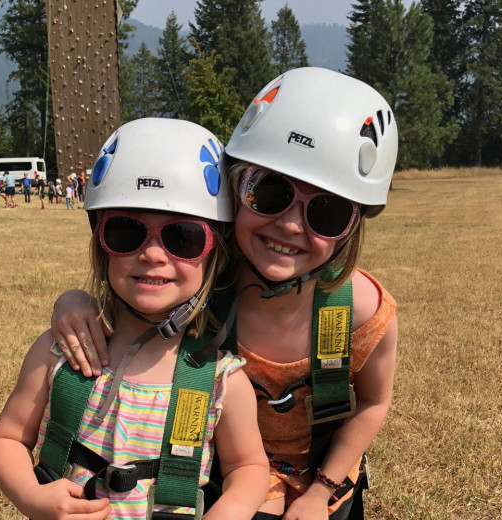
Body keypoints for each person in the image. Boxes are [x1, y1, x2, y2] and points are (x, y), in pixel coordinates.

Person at [50, 68, 399, 520]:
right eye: (268, 192)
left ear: (351, 228)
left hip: (325, 480)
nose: (291, 225)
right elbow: (131, 297)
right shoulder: (202, 281)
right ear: (235, 188)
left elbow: (373, 402)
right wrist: (76, 301)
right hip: (223, 477)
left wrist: (320, 493)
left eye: (326, 212)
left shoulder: (360, 310)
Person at [0, 118, 269, 520]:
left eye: (183, 237)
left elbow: (249, 468)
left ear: (214, 252)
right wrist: (32, 497)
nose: (153, 254)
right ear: (101, 245)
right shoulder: (58, 354)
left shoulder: (221, 380)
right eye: (125, 232)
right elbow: (9, 437)